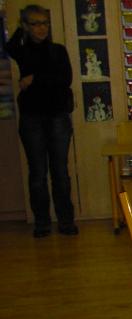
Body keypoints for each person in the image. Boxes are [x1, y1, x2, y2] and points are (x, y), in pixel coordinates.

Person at [4, 5, 77, 238]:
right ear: (26, 26)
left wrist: (34, 78)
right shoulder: (23, 51)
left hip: (57, 116)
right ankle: (42, 222)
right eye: (35, 23)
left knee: (60, 172)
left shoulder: (57, 50)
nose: (41, 28)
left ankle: (66, 221)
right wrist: (19, 27)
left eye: (44, 22)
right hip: (32, 118)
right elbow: (9, 47)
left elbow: (64, 79)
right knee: (37, 173)